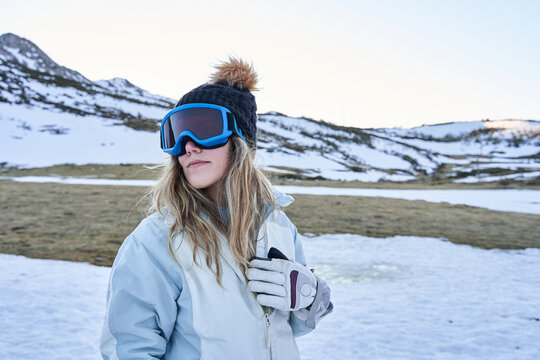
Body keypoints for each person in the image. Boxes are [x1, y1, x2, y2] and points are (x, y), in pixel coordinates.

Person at [100, 57, 333, 360]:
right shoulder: (157, 241)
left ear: (240, 141)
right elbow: (130, 349)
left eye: (203, 128)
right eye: (177, 133)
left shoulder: (278, 226)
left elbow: (290, 328)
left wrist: (311, 299)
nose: (188, 146)